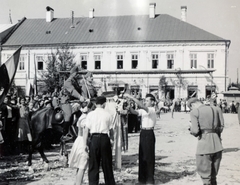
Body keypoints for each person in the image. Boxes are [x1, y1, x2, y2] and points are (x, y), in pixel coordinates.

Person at [187, 97, 224, 185]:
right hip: (218, 145)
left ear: (193, 105)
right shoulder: (217, 109)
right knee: (214, 176)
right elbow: (221, 127)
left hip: (204, 146)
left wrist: (190, 129)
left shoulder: (195, 112)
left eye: (190, 107)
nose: (191, 109)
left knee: (206, 177)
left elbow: (195, 131)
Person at [124, 93, 157, 184]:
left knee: (149, 156)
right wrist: (128, 106)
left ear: (152, 102)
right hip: (143, 133)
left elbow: (141, 106)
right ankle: (142, 179)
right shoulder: (144, 111)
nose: (145, 102)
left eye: (147, 100)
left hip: (149, 133)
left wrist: (131, 97)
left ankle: (150, 179)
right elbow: (135, 112)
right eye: (145, 100)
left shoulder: (151, 110)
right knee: (142, 156)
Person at [83, 96, 116, 185]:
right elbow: (111, 131)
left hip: (94, 139)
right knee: (107, 164)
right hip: (105, 139)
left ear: (96, 104)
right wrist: (112, 141)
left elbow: (86, 130)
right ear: (104, 104)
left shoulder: (90, 114)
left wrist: (84, 144)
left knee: (93, 164)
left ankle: (93, 183)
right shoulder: (108, 114)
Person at [68, 101, 93, 185]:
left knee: (80, 165)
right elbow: (86, 131)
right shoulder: (85, 118)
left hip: (79, 140)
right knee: (83, 164)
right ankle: (78, 183)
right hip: (83, 141)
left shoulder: (81, 117)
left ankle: (78, 181)